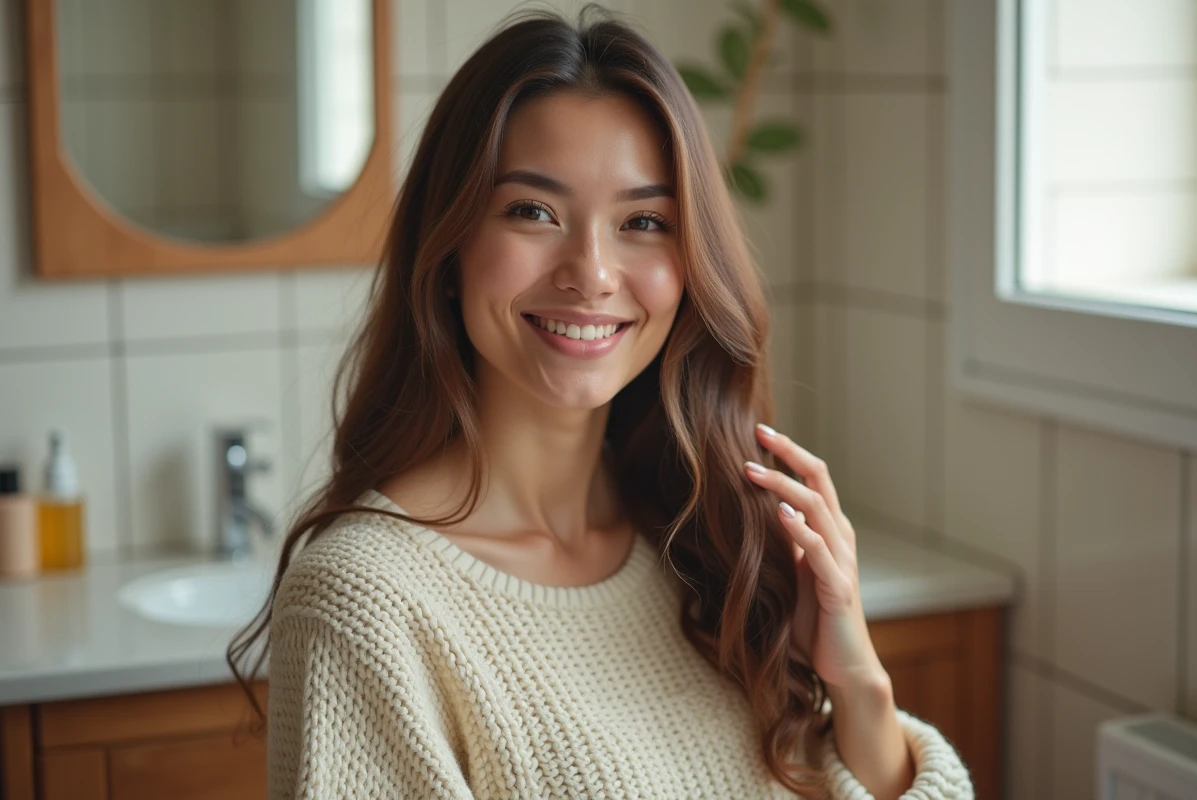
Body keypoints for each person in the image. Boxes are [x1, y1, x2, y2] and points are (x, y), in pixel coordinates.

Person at [228, 5, 974, 798]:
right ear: (448, 247)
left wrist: (855, 677)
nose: (591, 272)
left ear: (691, 267)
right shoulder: (366, 603)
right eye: (533, 212)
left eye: (643, 222)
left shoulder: (706, 541)